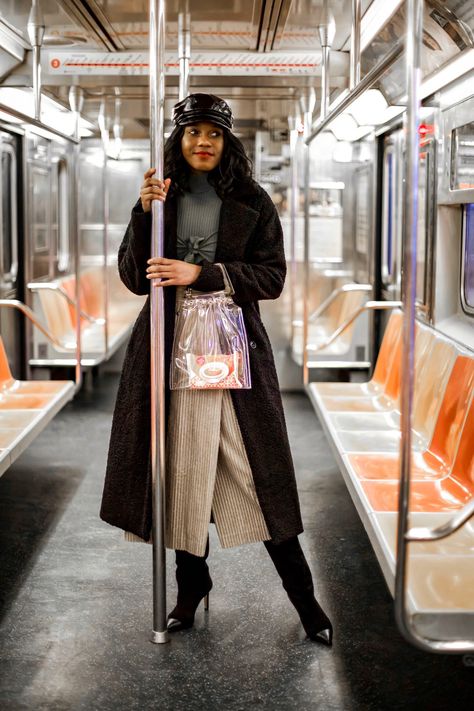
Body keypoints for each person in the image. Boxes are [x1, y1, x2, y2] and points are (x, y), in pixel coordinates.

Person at [100, 93, 333, 646]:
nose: (202, 142)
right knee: (180, 469)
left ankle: (306, 601)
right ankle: (190, 585)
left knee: (257, 474)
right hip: (166, 344)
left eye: (214, 134)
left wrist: (202, 273)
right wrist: (141, 211)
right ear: (178, 142)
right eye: (192, 133)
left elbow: (270, 278)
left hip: (232, 349)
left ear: (228, 142)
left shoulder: (253, 200)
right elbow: (136, 278)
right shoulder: (161, 199)